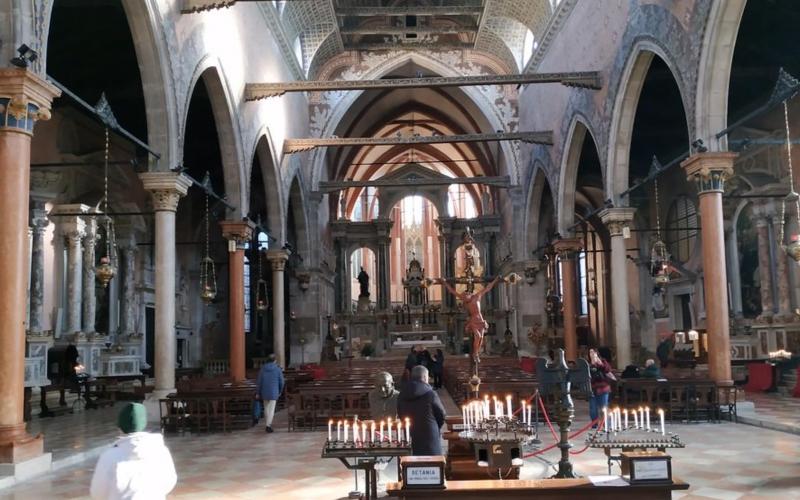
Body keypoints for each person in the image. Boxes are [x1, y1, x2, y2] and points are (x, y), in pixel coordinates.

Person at [90, 402, 177, 500]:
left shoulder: (109, 456)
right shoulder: (160, 451)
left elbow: (98, 493)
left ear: (120, 427)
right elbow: (169, 481)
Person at [438, 275, 502, 364]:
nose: (464, 296)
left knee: (482, 338)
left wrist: (495, 280)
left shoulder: (477, 296)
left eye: (466, 295)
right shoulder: (465, 300)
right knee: (478, 336)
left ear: (469, 294)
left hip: (481, 320)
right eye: (463, 296)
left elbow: (488, 288)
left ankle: (477, 353)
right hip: (473, 321)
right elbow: (452, 291)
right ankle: (475, 354)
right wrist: (444, 282)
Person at [397, 366, 446, 456]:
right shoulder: (430, 394)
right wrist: (435, 426)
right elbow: (441, 414)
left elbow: (400, 413)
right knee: (433, 465)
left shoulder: (402, 394)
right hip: (429, 433)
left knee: (412, 465)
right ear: (424, 377)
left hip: (410, 434)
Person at [255, 353, 285, 433]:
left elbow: (259, 381)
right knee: (271, 409)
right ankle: (268, 425)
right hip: (274, 391)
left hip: (264, 391)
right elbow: (281, 381)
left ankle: (267, 424)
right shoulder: (278, 369)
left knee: (266, 408)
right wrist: (280, 390)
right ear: (275, 360)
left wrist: (258, 392)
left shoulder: (262, 369)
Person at [588, 348, 615, 427]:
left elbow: (608, 370)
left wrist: (600, 363)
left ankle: (607, 424)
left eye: (593, 353)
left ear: (597, 354)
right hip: (592, 389)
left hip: (603, 388)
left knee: (604, 407)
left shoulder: (603, 361)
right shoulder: (588, 364)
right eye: (590, 353)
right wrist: (592, 365)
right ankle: (594, 424)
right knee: (593, 409)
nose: (592, 354)